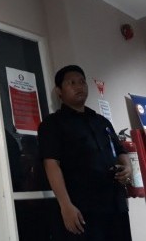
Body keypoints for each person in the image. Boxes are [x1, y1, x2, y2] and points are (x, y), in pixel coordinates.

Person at [38, 65, 132, 241]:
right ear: (59, 91)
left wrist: (127, 167)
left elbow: (120, 150)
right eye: (71, 83)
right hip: (83, 209)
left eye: (82, 82)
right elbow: (51, 164)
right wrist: (65, 206)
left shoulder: (101, 122)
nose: (79, 86)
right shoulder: (52, 124)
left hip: (115, 205)